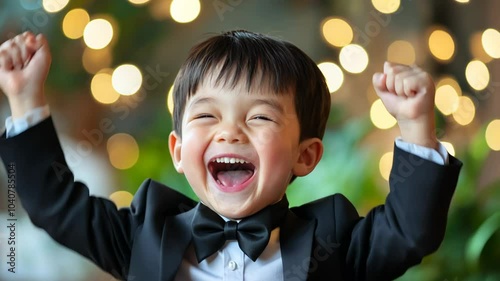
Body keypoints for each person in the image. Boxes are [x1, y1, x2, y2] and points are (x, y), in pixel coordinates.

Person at [0, 30, 462, 281]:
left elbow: (410, 231)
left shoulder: (334, 242)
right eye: (206, 117)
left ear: (306, 156)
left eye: (260, 118)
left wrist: (416, 125)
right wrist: (25, 102)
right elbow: (54, 205)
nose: (230, 133)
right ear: (179, 151)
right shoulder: (144, 233)